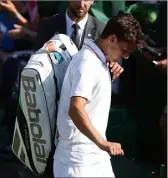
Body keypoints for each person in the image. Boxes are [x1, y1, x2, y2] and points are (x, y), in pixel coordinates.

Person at [53, 13, 144, 177]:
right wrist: (103, 143)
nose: (125, 56)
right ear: (112, 39)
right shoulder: (87, 63)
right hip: (77, 164)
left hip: (96, 158)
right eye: (124, 51)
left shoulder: (99, 61)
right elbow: (75, 109)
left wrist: (107, 77)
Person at [34, 0, 105, 51]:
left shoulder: (101, 30)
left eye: (86, 0)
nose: (81, 4)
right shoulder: (48, 26)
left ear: (93, 1)